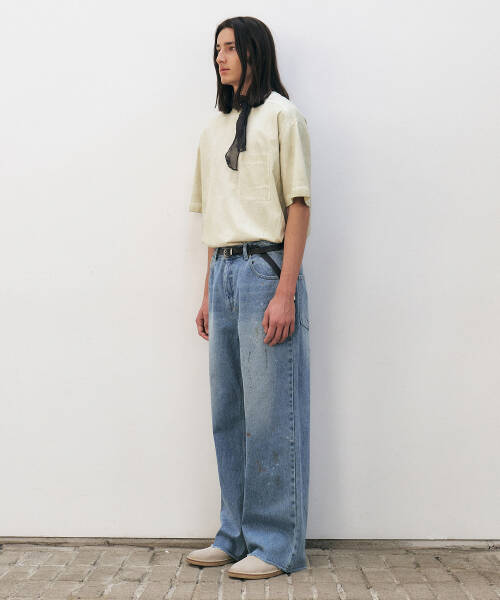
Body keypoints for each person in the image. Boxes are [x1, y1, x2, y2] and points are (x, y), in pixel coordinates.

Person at [186, 16, 311, 579]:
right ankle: (233, 534)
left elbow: (298, 206)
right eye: (216, 49)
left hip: (266, 269)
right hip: (224, 274)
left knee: (270, 413)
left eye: (231, 48)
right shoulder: (213, 129)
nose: (220, 57)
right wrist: (207, 292)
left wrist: (285, 291)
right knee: (228, 412)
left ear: (255, 52)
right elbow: (215, 219)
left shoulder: (283, 116)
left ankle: (276, 545)